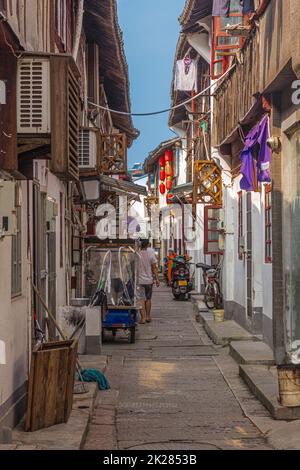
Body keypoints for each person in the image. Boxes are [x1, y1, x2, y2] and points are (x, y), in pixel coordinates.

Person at [138, 239, 160, 324]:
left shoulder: (137, 254)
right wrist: (157, 279)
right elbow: (154, 267)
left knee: (141, 299)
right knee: (148, 299)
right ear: (147, 245)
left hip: (140, 280)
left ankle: (142, 318)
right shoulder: (151, 254)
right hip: (149, 281)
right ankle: (148, 316)